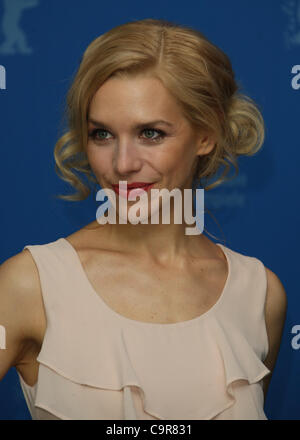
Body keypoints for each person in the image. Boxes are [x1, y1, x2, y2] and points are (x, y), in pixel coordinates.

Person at [0, 18, 287, 420]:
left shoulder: (260, 294)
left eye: (150, 133)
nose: (122, 163)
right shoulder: (28, 285)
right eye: (102, 134)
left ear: (207, 134)